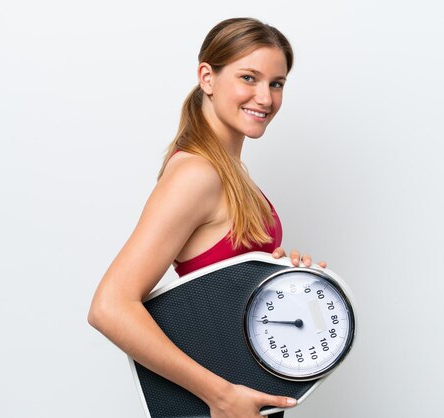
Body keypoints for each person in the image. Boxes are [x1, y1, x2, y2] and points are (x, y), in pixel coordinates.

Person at [88, 17, 327, 418]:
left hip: (247, 396)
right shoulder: (197, 174)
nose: (265, 98)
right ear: (207, 77)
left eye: (276, 83)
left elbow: (221, 290)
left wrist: (284, 279)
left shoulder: (230, 172)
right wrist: (218, 395)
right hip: (221, 403)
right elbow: (110, 306)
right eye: (248, 78)